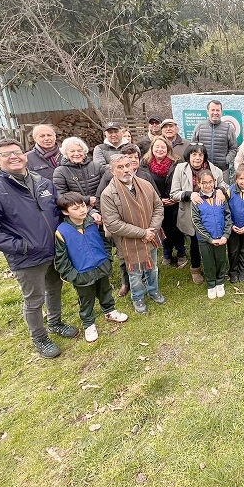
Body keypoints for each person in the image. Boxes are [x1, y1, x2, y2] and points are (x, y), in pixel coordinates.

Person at [0, 138, 78, 359]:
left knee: (54, 288)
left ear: (25, 155)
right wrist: (21, 246)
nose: (14, 157)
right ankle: (39, 337)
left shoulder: (41, 182)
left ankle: (55, 322)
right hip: (27, 257)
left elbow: (58, 209)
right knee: (34, 299)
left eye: (17, 152)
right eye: (7, 154)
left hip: (54, 249)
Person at [54, 192, 129, 343]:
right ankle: (89, 324)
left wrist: (107, 259)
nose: (82, 210)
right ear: (65, 212)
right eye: (75, 208)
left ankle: (109, 311)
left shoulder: (93, 222)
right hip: (82, 274)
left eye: (83, 205)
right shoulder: (61, 232)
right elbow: (61, 260)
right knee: (86, 299)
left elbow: (105, 241)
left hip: (101, 267)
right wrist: (73, 275)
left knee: (105, 291)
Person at [100, 154, 166, 313]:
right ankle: (138, 297)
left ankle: (153, 290)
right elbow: (113, 224)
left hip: (151, 235)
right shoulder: (108, 194)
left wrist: (152, 230)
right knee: (135, 273)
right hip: (129, 242)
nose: (125, 170)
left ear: (133, 166)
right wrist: (142, 233)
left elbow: (158, 207)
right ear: (112, 171)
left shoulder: (145, 184)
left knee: (153, 267)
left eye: (127, 166)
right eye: (120, 167)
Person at [169, 144, 228, 284]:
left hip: (212, 214)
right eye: (194, 154)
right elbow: (173, 193)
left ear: (204, 156)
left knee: (213, 241)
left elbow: (224, 185)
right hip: (191, 214)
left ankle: (215, 269)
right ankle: (195, 269)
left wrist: (220, 189)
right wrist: (190, 194)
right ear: (188, 156)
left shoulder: (214, 170)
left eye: (200, 155)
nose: (197, 158)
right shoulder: (180, 169)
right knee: (195, 242)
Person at [144, 137, 187, 268]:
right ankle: (167, 252)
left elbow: (182, 180)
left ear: (168, 149)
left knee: (176, 228)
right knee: (162, 228)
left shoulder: (176, 162)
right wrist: (158, 199)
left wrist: (175, 197)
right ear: (152, 148)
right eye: (157, 147)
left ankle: (181, 253)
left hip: (174, 201)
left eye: (163, 147)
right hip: (156, 203)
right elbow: (145, 184)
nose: (160, 149)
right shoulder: (145, 164)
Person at [191, 169, 232, 299]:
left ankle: (220, 281)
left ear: (214, 182)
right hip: (205, 240)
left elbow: (228, 216)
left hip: (220, 237)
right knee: (208, 262)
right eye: (204, 183)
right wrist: (208, 239)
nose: (208, 185)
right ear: (198, 183)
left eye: (210, 182)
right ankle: (211, 284)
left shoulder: (220, 197)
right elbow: (196, 222)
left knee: (220, 260)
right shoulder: (197, 200)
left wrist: (226, 235)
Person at [191, 100, 238, 183]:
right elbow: (193, 147)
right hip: (203, 169)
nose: (215, 113)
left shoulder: (228, 128)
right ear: (207, 111)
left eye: (217, 110)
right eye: (213, 110)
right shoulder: (199, 127)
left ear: (221, 112)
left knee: (223, 193)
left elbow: (233, 148)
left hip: (222, 170)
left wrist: (226, 160)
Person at [52, 137, 105, 210]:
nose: (76, 154)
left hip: (101, 206)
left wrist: (97, 200)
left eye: (79, 150)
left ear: (84, 152)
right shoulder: (60, 172)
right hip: (77, 210)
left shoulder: (96, 166)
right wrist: (87, 200)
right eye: (72, 151)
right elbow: (62, 196)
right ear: (66, 153)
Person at [226, 165, 244, 283]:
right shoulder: (230, 191)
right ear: (236, 180)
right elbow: (225, 210)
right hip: (233, 227)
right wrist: (230, 225)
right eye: (241, 179)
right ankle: (233, 271)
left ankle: (243, 271)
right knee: (233, 250)